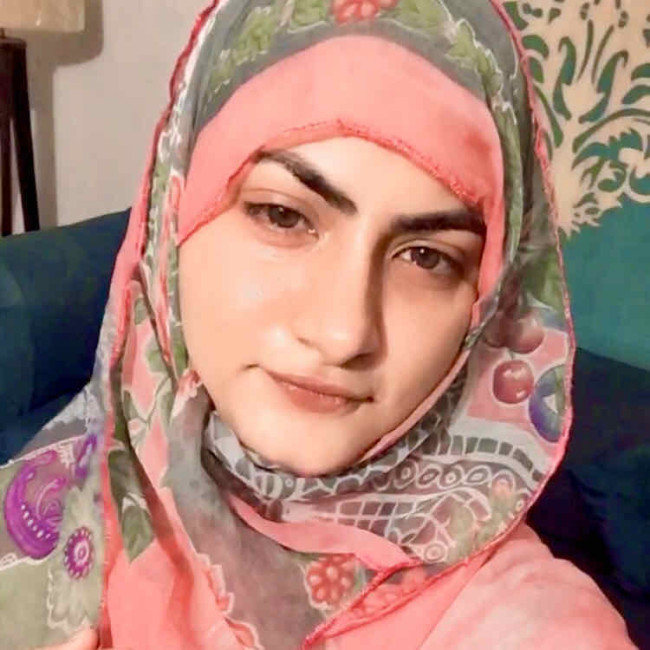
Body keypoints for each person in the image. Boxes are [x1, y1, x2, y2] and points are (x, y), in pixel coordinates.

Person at [0, 1, 636, 648]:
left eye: (426, 257)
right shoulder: (60, 488)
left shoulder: (531, 623)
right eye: (283, 216)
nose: (344, 333)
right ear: (173, 223)